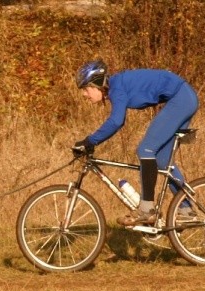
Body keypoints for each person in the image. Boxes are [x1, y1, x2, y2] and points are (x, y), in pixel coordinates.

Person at [72, 60, 198, 226]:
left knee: (145, 150)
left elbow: (117, 121)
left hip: (181, 99)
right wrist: (92, 141)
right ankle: (186, 209)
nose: (84, 94)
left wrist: (90, 141)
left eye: (86, 89)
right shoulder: (116, 88)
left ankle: (146, 210)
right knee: (162, 161)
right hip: (185, 98)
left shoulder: (117, 87)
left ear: (97, 84)